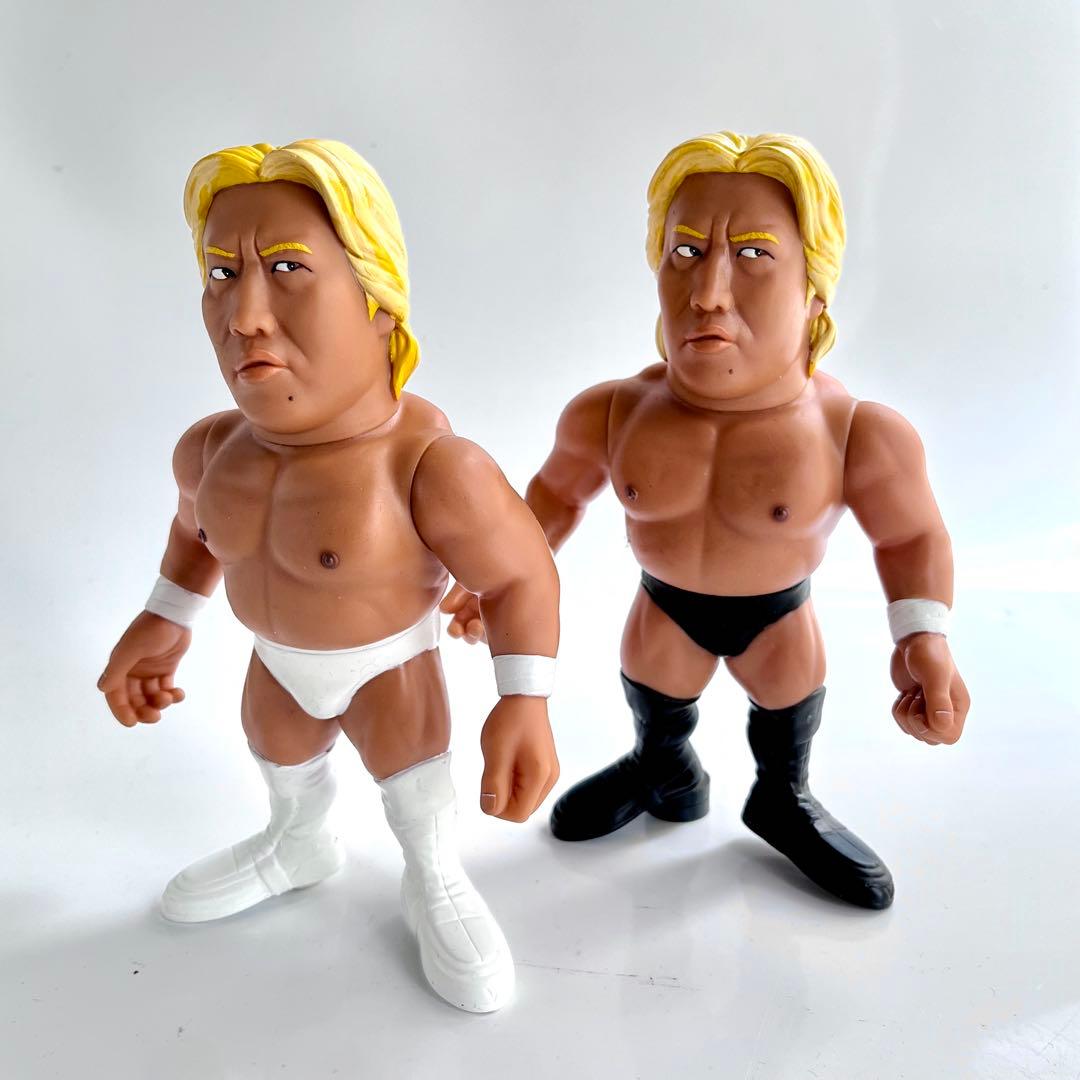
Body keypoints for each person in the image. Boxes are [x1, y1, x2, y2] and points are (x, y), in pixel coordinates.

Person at [443, 131, 969, 911]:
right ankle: (665, 774)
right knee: (655, 702)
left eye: (753, 255)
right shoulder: (609, 413)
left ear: (814, 291)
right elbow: (553, 498)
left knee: (785, 712)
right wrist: (492, 577)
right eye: (686, 252)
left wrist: (924, 636)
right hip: (664, 607)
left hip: (779, 618)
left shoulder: (855, 432)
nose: (709, 292)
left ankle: (783, 799)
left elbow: (910, 536)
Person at [98, 140, 560, 1012]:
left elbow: (522, 575)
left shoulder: (430, 466)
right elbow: (196, 532)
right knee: (279, 756)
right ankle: (297, 842)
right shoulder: (209, 450)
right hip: (275, 664)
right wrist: (163, 617)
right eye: (222, 274)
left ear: (379, 303)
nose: (244, 316)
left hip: (389, 667)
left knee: (415, 792)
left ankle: (433, 875)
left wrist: (524, 700)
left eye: (287, 269)